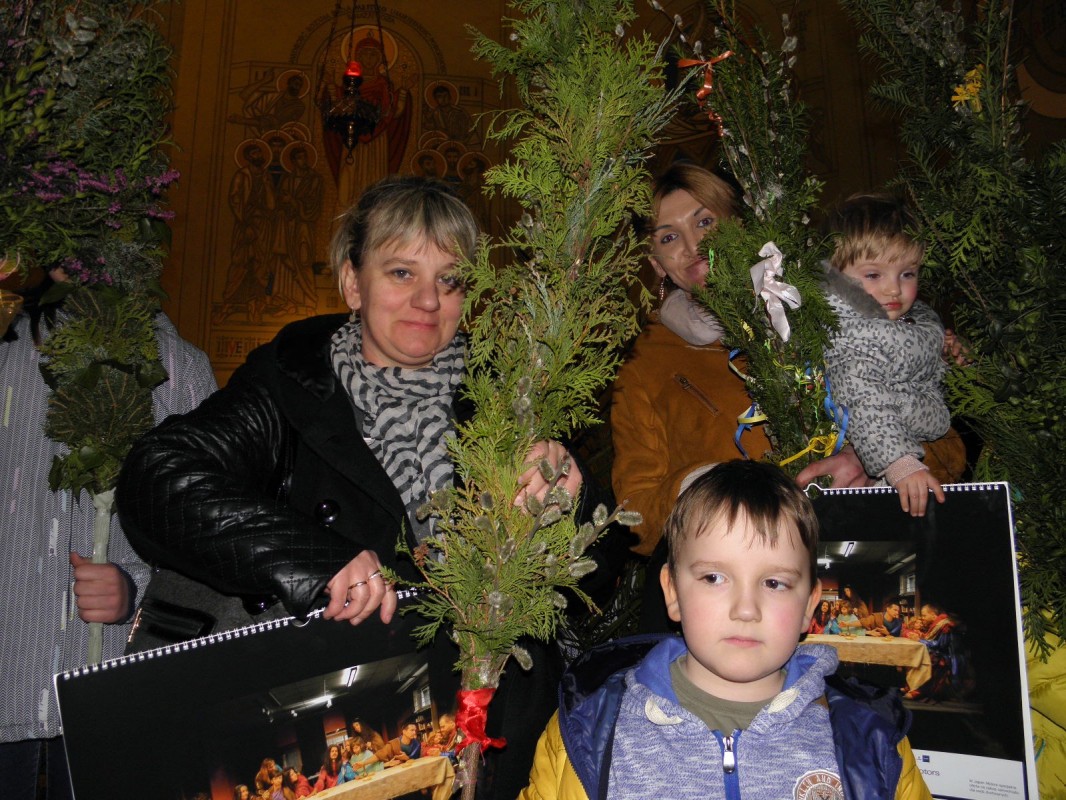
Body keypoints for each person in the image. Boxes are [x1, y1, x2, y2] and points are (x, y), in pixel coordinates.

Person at [116, 176, 604, 800]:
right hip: (360, 710)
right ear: (353, 282)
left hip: (498, 730)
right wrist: (315, 559)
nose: (427, 300)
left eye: (450, 280)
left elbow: (597, 577)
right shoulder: (290, 384)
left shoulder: (514, 393)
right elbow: (159, 478)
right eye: (401, 273)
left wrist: (569, 497)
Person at [519, 460, 930, 800]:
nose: (746, 609)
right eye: (714, 578)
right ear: (672, 592)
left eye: (774, 583)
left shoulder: (871, 740)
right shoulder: (589, 729)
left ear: (809, 605)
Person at [0, 268, 217, 800]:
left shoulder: (175, 368)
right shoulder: (5, 350)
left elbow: (206, 535)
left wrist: (137, 588)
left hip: (110, 684)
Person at [611, 163, 771, 558]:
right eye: (669, 237)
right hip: (736, 565)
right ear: (657, 264)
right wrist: (703, 486)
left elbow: (929, 438)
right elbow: (634, 515)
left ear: (738, 224)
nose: (693, 245)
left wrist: (863, 457)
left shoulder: (812, 312)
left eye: (705, 222)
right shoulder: (646, 362)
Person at [819, 194, 965, 516]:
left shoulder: (901, 323)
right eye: (874, 275)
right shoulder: (852, 334)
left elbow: (917, 375)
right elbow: (861, 398)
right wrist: (899, 463)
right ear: (836, 276)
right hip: (882, 479)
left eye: (907, 274)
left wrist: (947, 357)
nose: (894, 289)